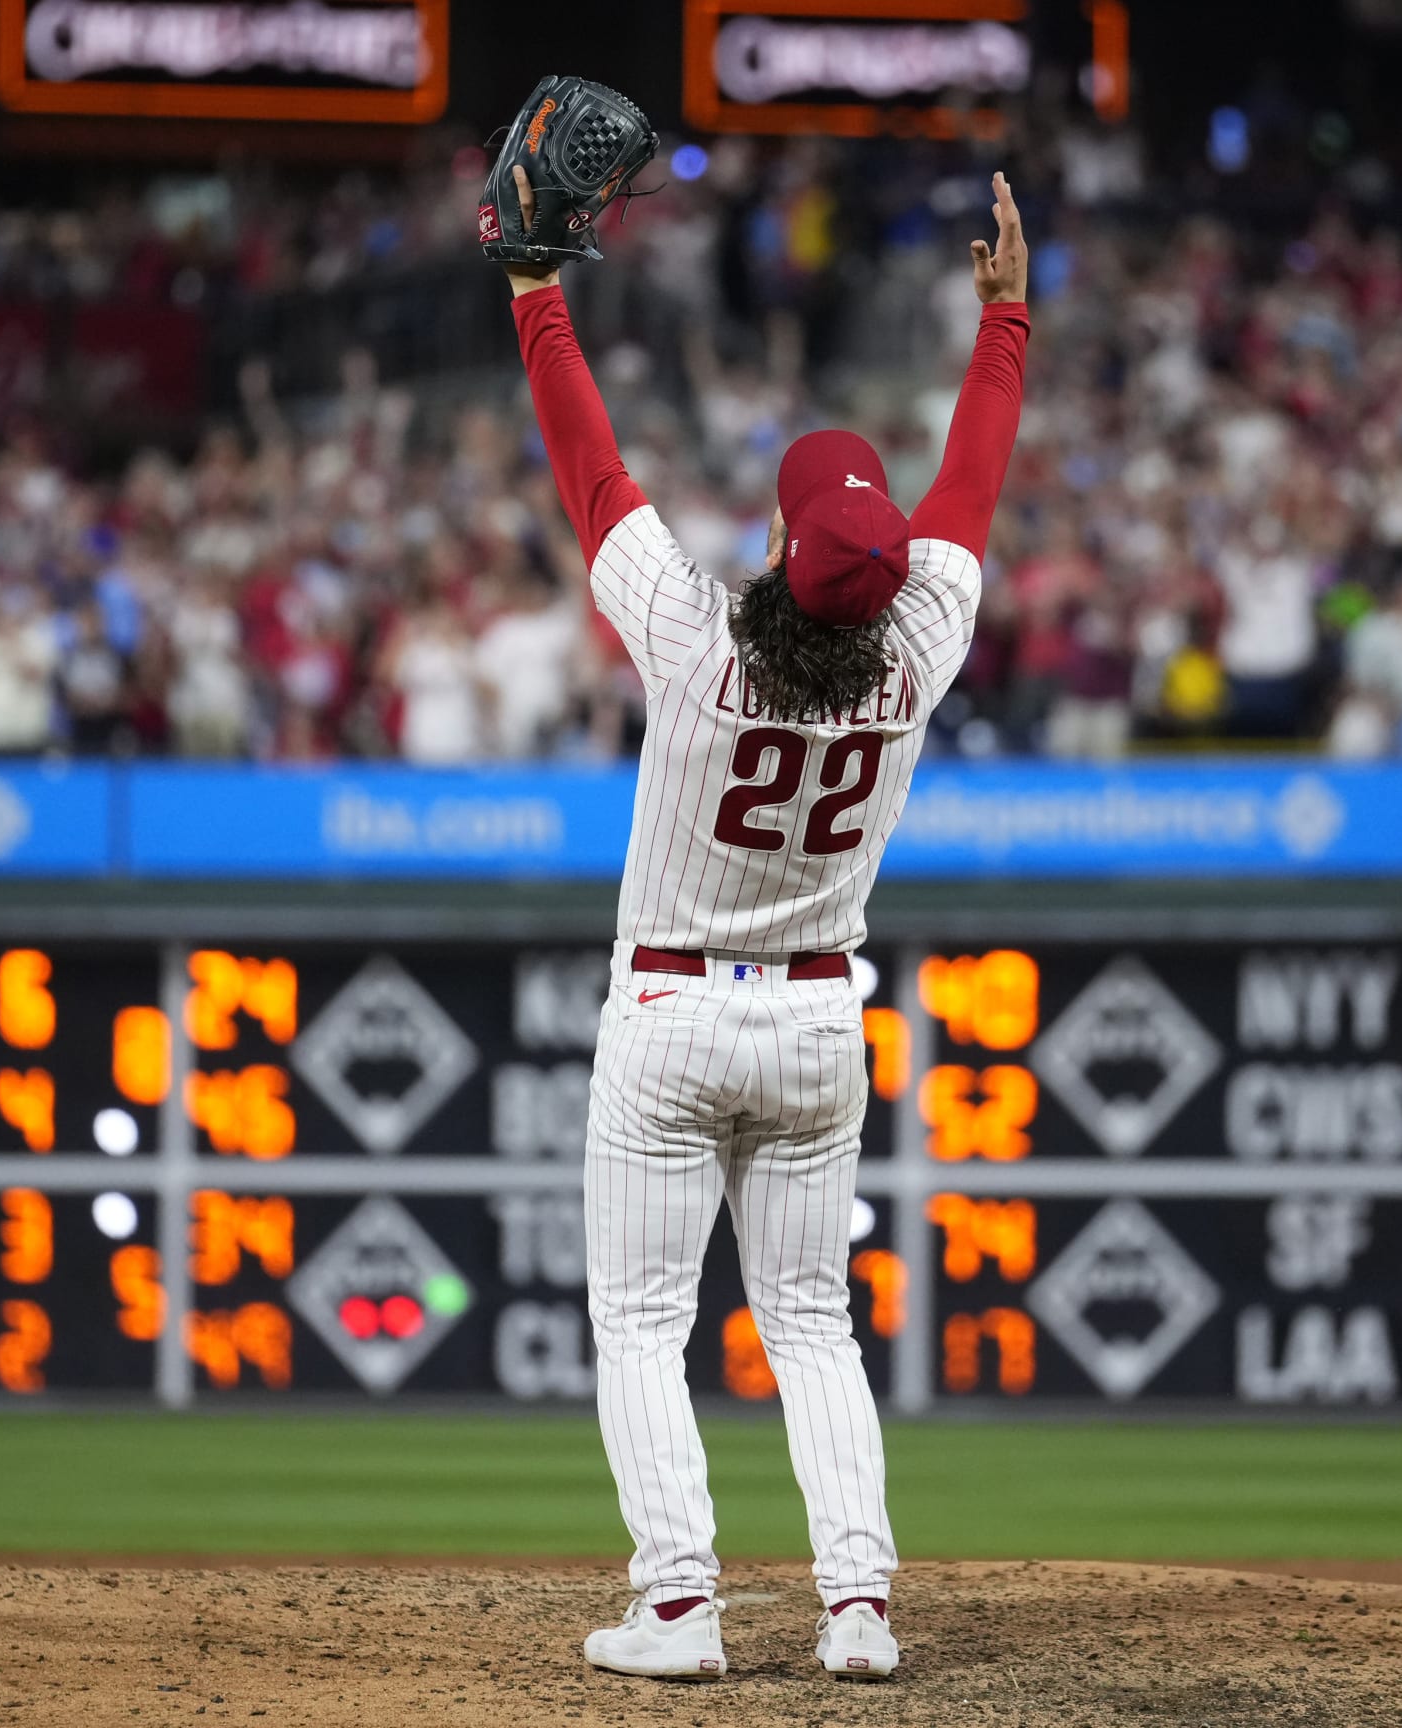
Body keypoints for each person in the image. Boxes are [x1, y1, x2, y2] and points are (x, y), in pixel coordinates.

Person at [502, 164, 1029, 1685]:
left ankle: (680, 1609)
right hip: (817, 1019)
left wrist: (538, 295)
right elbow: (974, 489)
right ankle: (857, 1609)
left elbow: (594, 474)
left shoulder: (692, 630)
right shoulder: (920, 642)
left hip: (671, 1012)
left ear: (788, 545)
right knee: (810, 1323)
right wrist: (1008, 327)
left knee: (646, 1326)